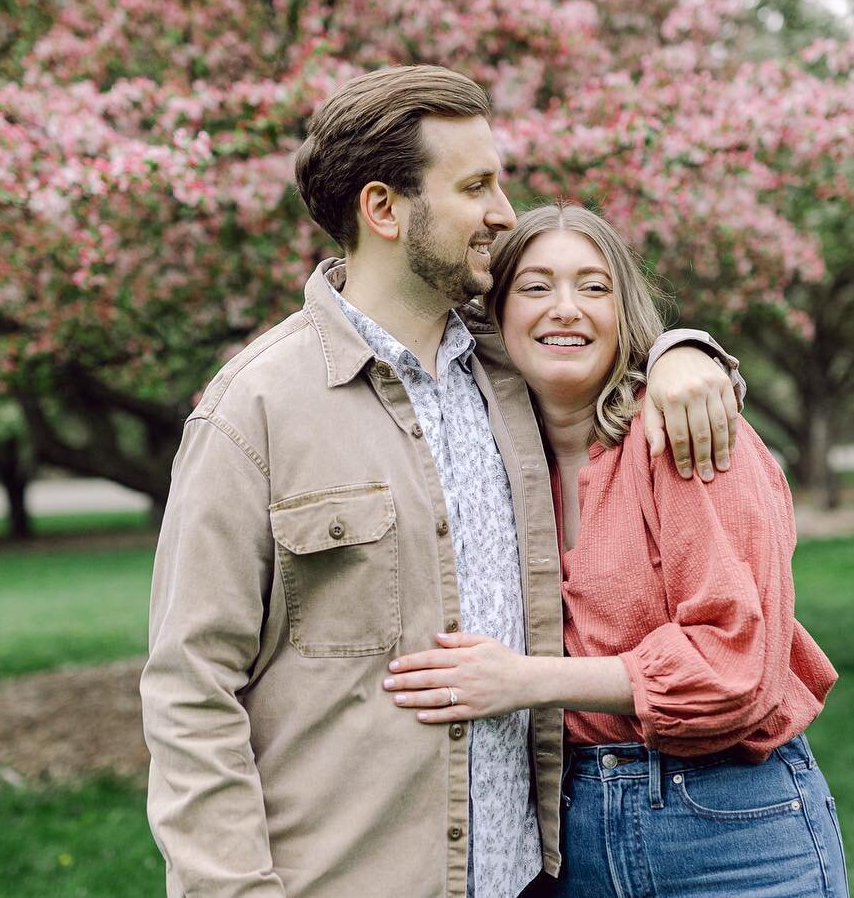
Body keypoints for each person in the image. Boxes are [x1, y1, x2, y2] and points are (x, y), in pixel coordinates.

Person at [140, 66, 749, 898]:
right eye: (476, 186)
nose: (504, 211)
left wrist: (686, 350)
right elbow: (190, 686)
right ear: (384, 209)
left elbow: (608, 341)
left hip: (528, 876)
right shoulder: (254, 411)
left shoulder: (508, 371)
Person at [383, 203, 848, 898]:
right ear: (497, 315)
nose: (565, 309)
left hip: (731, 827)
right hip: (569, 836)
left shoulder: (688, 437)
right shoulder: (491, 463)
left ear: (624, 310)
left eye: (593, 287)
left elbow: (735, 666)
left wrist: (521, 681)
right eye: (536, 287)